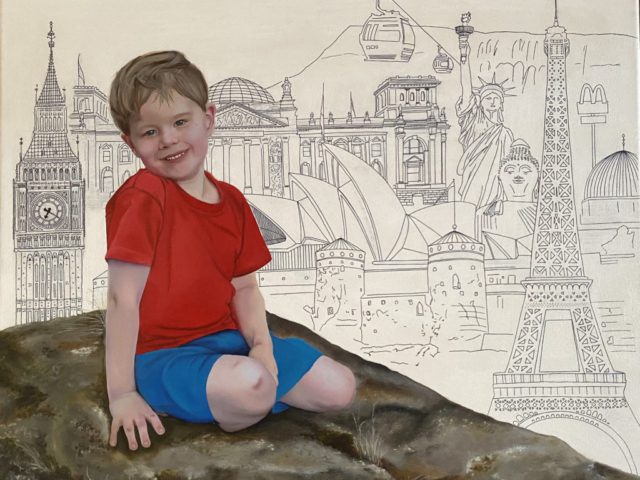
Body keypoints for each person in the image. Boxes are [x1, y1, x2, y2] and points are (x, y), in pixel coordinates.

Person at [104, 51, 356, 451]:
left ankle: (233, 394)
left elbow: (245, 289)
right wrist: (121, 394)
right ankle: (228, 401)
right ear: (130, 143)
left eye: (180, 122)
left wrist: (261, 346)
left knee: (339, 387)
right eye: (150, 132)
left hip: (228, 343)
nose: (168, 139)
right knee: (254, 385)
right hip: (164, 358)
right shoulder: (143, 197)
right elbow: (121, 298)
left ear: (209, 119)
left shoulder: (234, 200)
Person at [456, 38, 515, 209]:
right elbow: (466, 88)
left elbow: (508, 165)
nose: (493, 101)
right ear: (480, 102)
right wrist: (464, 55)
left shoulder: (505, 133)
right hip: (472, 178)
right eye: (488, 98)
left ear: (502, 103)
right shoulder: (472, 120)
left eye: (497, 98)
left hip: (497, 187)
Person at [475, 139, 539, 244]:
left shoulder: (546, 213)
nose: (518, 175)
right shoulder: (483, 214)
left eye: (526, 171)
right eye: (510, 171)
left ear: (537, 178)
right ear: (500, 179)